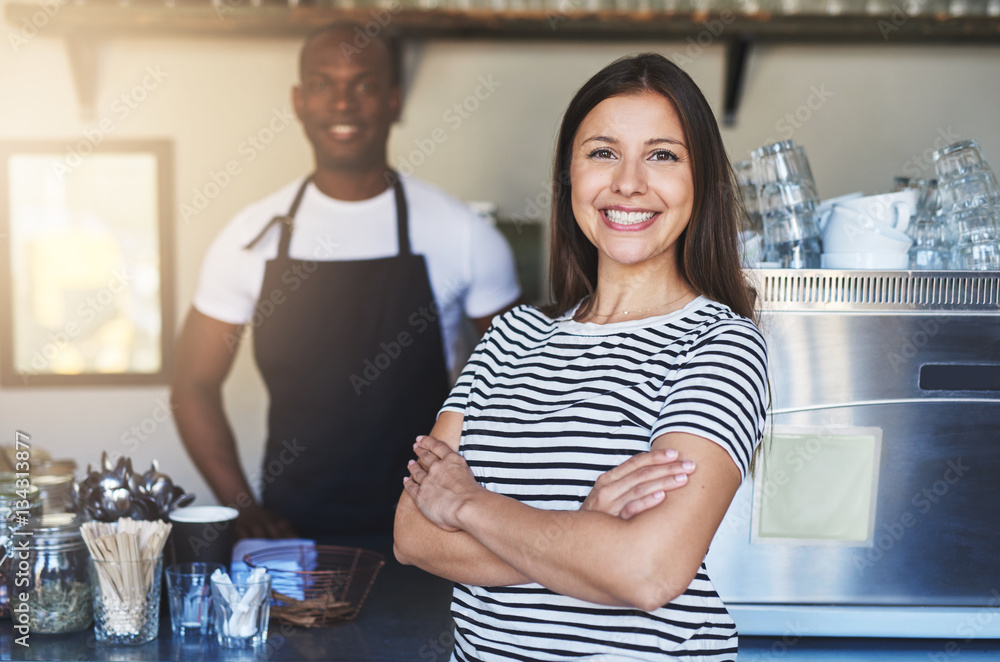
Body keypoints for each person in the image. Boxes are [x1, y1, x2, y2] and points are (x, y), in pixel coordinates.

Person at [393, 53, 768, 661]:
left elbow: (648, 572)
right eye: (602, 152)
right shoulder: (511, 336)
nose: (628, 183)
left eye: (663, 155)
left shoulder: (718, 345)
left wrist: (468, 504)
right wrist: (587, 531)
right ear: (570, 175)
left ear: (701, 182)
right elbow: (412, 536)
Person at [170, 23, 521, 540]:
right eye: (322, 84)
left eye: (364, 84)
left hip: (431, 530)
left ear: (394, 101)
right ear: (298, 101)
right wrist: (242, 507)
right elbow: (192, 385)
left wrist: (483, 506)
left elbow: (522, 384)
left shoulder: (462, 234)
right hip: (293, 533)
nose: (343, 103)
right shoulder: (250, 236)